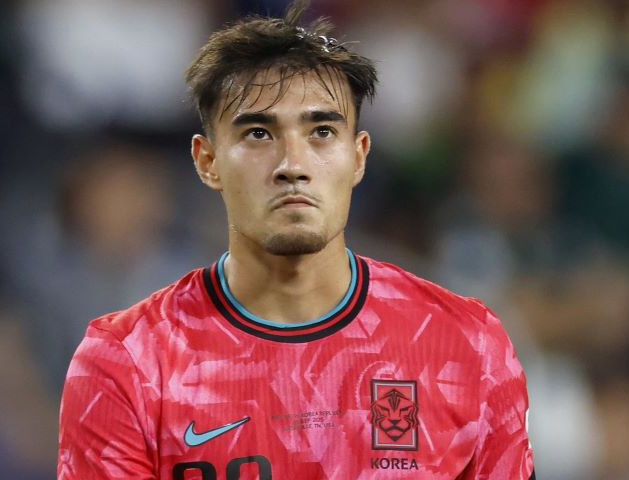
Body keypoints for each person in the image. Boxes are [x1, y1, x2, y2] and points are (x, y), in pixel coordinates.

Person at [57, 2, 535, 478]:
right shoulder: (127, 363)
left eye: (321, 132)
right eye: (258, 134)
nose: (292, 165)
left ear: (359, 157)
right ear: (208, 162)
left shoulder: (467, 344)